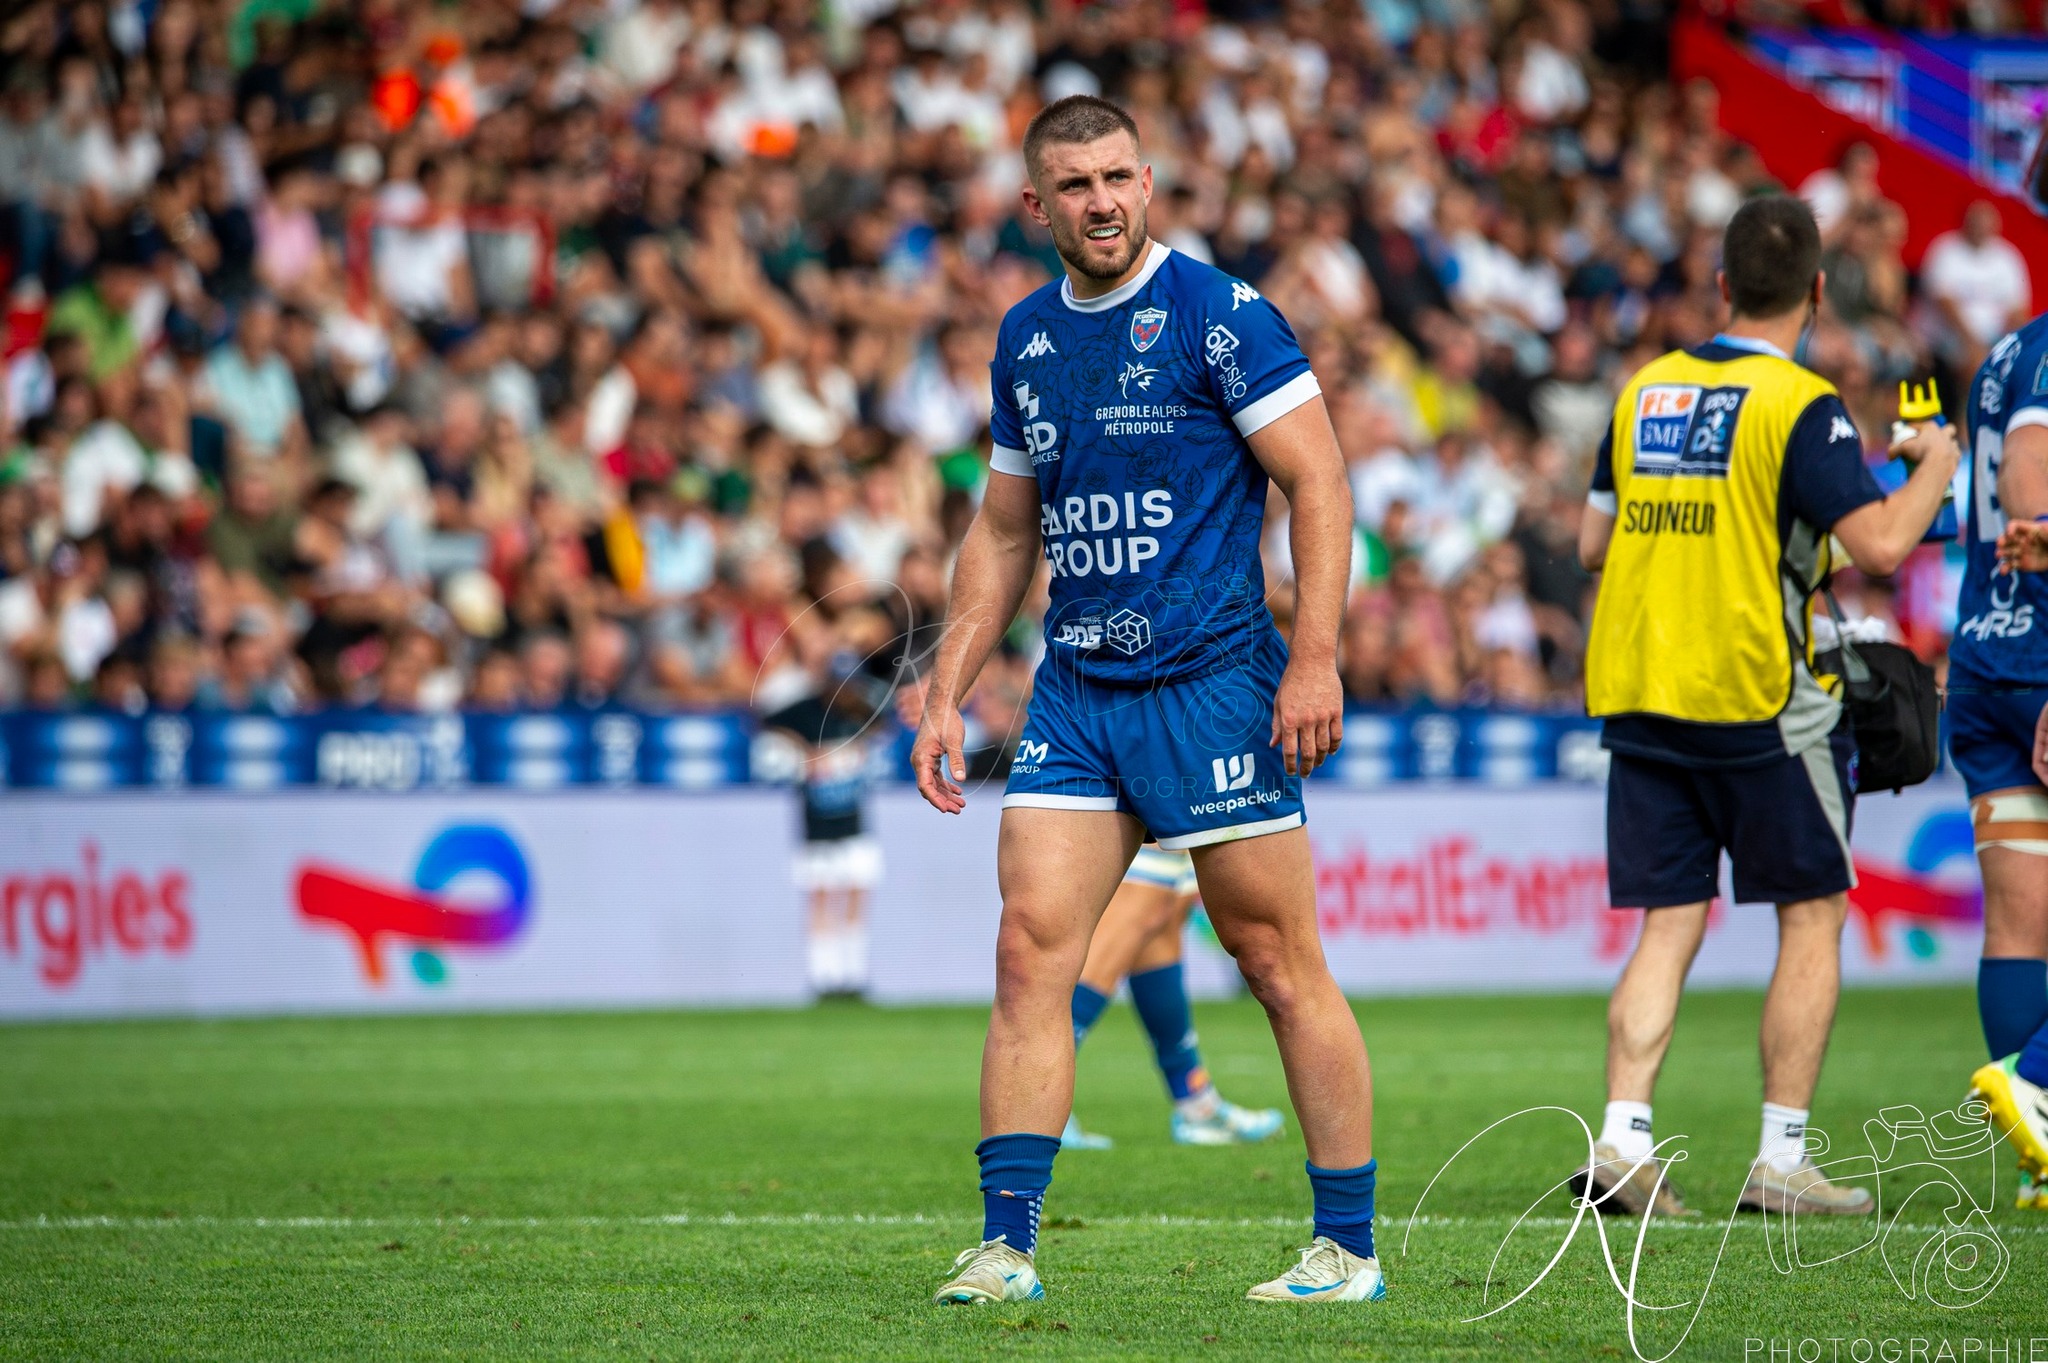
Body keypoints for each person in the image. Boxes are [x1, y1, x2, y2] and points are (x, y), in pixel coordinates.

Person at [913, 97, 1381, 1307]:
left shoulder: (1220, 317)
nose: (1101, 200)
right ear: (1036, 206)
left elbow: (1318, 482)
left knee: (1275, 964)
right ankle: (1006, 1244)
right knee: (1028, 954)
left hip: (1215, 685)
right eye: (1073, 185)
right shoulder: (1023, 339)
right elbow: (1002, 529)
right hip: (1076, 692)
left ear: (1150, 179)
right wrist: (941, 691)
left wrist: (1313, 654)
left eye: (1117, 175)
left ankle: (1347, 1249)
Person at [1572, 196, 1960, 1219]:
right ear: (1816, 292)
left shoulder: (1642, 387)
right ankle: (1778, 1158)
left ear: (1719, 286)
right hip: (1755, 695)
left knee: (1666, 922)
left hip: (1642, 688)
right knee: (1811, 912)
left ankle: (1619, 1141)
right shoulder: (1801, 402)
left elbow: (1589, 544)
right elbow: (1878, 545)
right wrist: (1936, 471)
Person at [1949, 316, 2048, 1210]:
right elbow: (2029, 475)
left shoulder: (2006, 354)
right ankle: (2043, 1087)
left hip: (1985, 663)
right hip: (2043, 662)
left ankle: (2040, 1162)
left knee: (2021, 925)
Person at [1062, 844, 1286, 1149]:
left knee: (1165, 909)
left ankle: (1195, 1100)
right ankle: (1037, 1096)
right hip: (1147, 796)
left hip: (1176, 799)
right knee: (1140, 902)